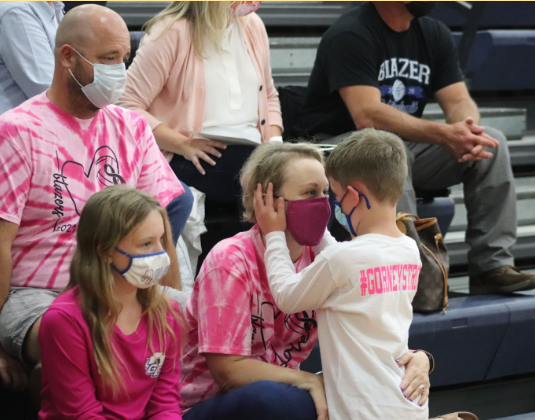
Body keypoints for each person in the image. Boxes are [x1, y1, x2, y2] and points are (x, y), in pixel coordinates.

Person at [0, 5, 185, 394]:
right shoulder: (17, 131)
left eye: (123, 59)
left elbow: (160, 229)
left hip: (123, 284)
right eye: (107, 59)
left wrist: (169, 299)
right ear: (68, 56)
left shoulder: (132, 127)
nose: (119, 70)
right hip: (38, 295)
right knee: (85, 335)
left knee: (190, 322)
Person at [295, 1, 535, 295]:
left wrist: (466, 131)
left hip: (398, 149)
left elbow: (459, 100)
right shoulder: (351, 33)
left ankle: (492, 267)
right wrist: (443, 133)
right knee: (390, 148)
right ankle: (415, 275)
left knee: (491, 143)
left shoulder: (434, 33)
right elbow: (367, 114)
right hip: (339, 152)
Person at [179, 142, 429, 420]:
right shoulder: (230, 260)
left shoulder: (327, 258)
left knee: (373, 388)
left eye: (326, 192)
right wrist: (307, 381)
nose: (323, 203)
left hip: (286, 387)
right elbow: (228, 371)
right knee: (276, 400)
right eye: (310, 193)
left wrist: (418, 358)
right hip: (207, 403)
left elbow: (370, 329)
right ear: (268, 200)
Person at [254, 130, 430, 419]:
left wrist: (274, 234)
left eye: (334, 196)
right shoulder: (409, 249)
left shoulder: (343, 259)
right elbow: (348, 266)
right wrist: (318, 230)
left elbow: (286, 295)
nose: (331, 206)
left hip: (363, 410)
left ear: (352, 195)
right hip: (405, 402)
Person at [119, 1, 283, 212]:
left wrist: (276, 144)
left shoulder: (253, 25)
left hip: (253, 151)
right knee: (259, 180)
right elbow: (126, 104)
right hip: (187, 154)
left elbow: (269, 95)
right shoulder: (171, 31)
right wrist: (183, 144)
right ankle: (253, 245)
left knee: (301, 172)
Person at [39, 186, 183, 419]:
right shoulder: (64, 320)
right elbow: (82, 414)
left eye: (161, 241)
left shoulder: (167, 314)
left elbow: (165, 404)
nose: (160, 254)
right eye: (146, 244)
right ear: (105, 252)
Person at [0, 1, 65, 115]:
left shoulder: (55, 6)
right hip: (19, 125)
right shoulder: (17, 10)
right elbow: (45, 88)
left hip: (41, 121)